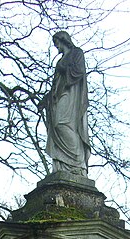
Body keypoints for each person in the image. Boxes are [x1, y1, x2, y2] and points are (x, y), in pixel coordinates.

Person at [39, 31, 90, 177]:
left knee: (61, 124)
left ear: (63, 40)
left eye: (57, 43)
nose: (56, 47)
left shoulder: (76, 53)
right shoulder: (60, 60)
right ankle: (63, 164)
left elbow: (78, 72)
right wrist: (45, 99)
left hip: (71, 94)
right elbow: (56, 83)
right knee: (57, 125)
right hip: (58, 95)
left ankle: (77, 163)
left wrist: (64, 68)